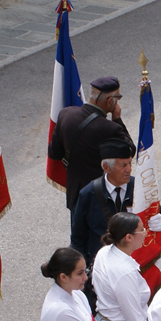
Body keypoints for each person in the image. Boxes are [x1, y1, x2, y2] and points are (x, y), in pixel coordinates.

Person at [70, 138, 161, 307]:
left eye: (130, 164)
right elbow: (78, 239)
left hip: (138, 271)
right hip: (103, 275)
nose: (129, 169)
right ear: (106, 168)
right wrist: (84, 272)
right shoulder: (88, 194)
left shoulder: (140, 189)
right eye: (123, 165)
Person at [48, 75, 131, 219]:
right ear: (110, 101)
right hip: (101, 199)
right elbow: (129, 150)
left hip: (76, 195)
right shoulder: (110, 128)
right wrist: (117, 118)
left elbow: (54, 153)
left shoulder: (66, 114)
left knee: (77, 238)